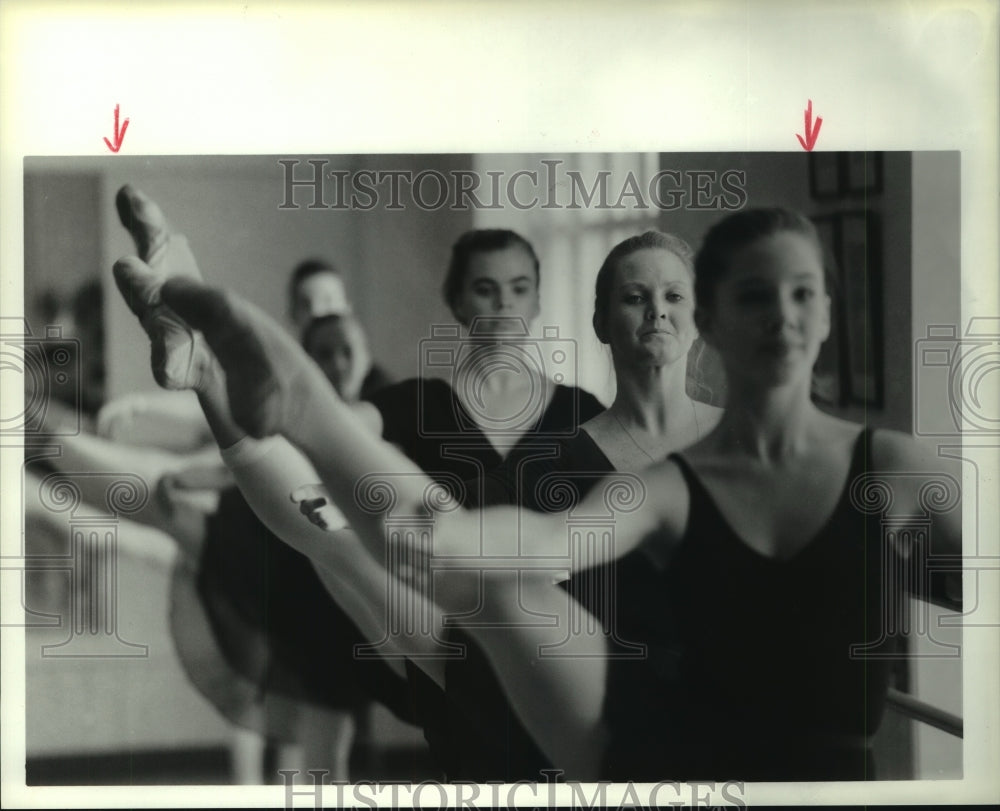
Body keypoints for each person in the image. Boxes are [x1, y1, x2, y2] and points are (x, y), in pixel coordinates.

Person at [123, 205, 961, 782]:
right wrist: (440, 549)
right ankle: (240, 380)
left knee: (370, 546)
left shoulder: (884, 470)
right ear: (602, 320)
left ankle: (239, 380)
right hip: (562, 693)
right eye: (635, 299)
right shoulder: (625, 469)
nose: (656, 318)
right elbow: (518, 548)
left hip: (739, 733)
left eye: (673, 299)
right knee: (348, 544)